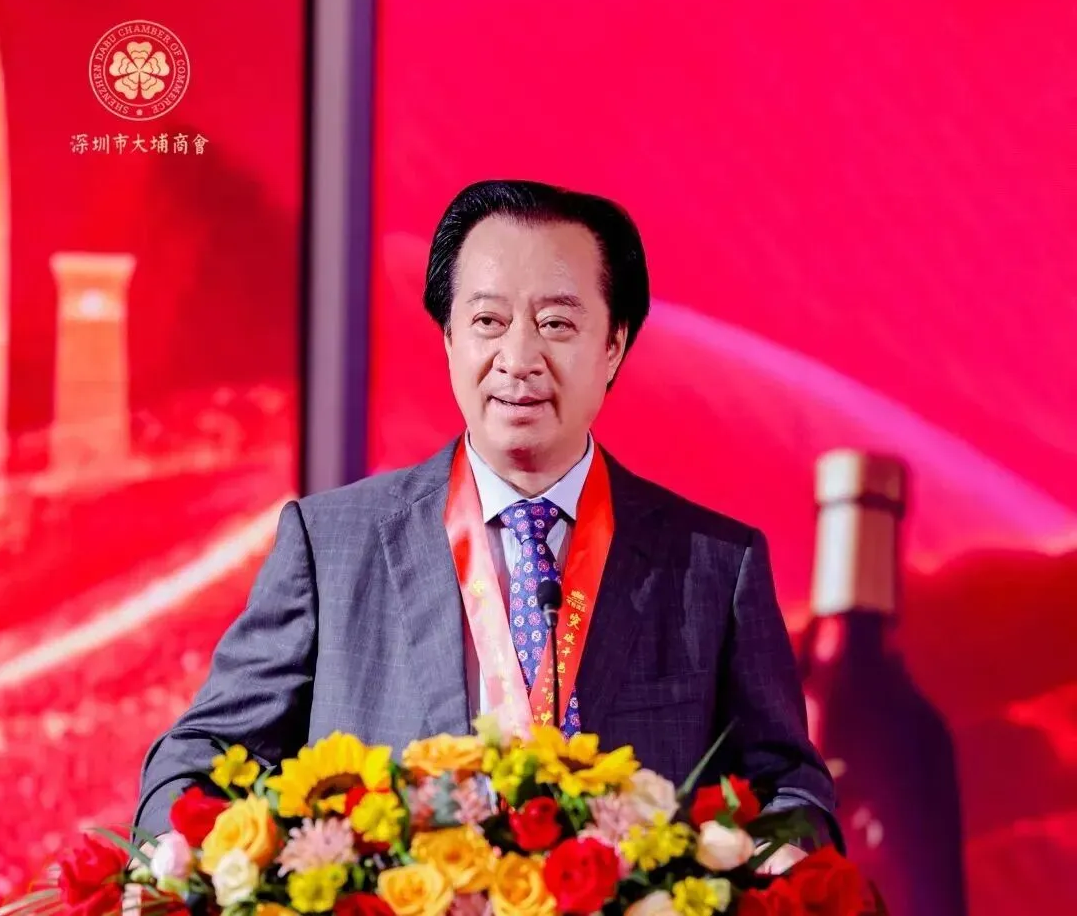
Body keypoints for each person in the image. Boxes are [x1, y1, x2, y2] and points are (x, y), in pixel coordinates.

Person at [135, 180, 838, 868]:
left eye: (556, 324)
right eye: (487, 322)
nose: (519, 360)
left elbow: (788, 786)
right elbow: (200, 757)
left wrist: (780, 855)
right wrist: (184, 855)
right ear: (449, 338)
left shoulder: (713, 565)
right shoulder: (330, 546)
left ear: (614, 345)